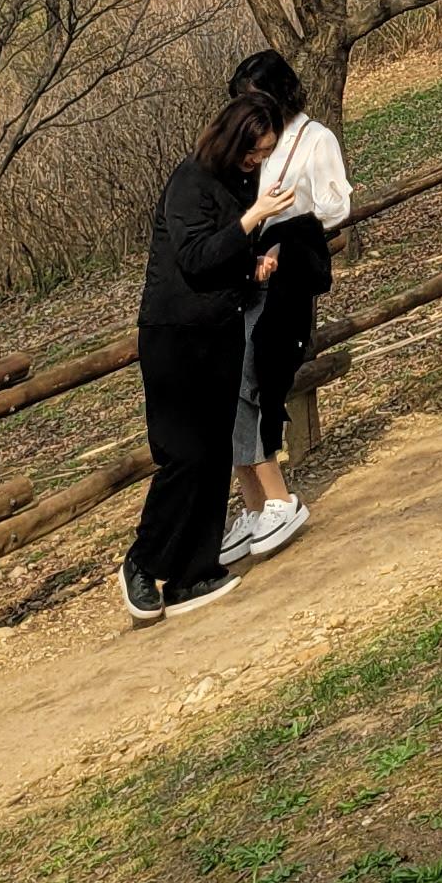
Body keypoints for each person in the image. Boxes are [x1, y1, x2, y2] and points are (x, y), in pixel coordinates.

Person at [120, 93, 289, 625]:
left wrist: (254, 263)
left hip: (222, 328)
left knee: (216, 453)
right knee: (184, 454)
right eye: (252, 151)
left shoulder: (242, 183)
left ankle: (194, 571)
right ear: (231, 139)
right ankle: (143, 563)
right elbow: (194, 258)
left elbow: (226, 256)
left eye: (265, 153)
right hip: (175, 336)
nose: (256, 161)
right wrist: (253, 219)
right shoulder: (189, 182)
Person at [221, 49, 350, 567]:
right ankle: (254, 503)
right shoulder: (252, 148)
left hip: (286, 273)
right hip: (247, 272)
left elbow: (336, 206)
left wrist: (290, 218)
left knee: (258, 377)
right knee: (235, 378)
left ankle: (276, 499)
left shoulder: (315, 139)